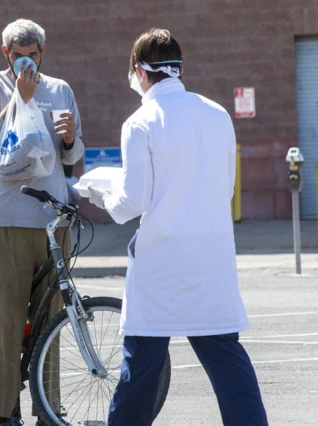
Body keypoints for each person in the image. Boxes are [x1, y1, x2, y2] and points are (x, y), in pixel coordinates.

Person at [87, 28, 268, 426]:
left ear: (139, 71)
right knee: (227, 361)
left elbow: (132, 202)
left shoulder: (140, 123)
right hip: (210, 259)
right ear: (179, 69)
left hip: (161, 264)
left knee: (142, 369)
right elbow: (227, 188)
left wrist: (101, 195)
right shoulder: (217, 114)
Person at [0, 18, 85, 426]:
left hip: (53, 221)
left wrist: (70, 139)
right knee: (7, 324)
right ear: (6, 55)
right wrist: (15, 101)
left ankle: (48, 409)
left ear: (43, 53)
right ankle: (2, 414)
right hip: (7, 220)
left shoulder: (60, 89)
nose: (26, 65)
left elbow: (71, 157)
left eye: (32, 57)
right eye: (18, 57)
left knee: (52, 321)